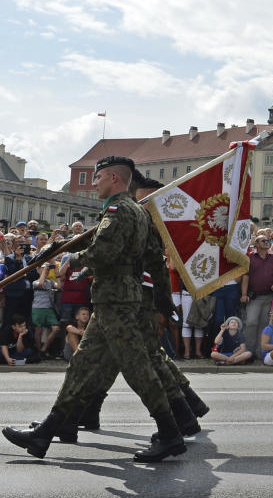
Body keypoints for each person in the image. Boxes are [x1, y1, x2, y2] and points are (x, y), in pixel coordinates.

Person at [3, 156, 185, 462]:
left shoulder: (119, 210)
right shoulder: (135, 211)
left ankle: (170, 433)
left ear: (114, 178)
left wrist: (69, 260)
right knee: (82, 365)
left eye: (98, 178)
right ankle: (46, 432)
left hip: (117, 300)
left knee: (137, 367)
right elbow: (115, 245)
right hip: (114, 300)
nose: (95, 183)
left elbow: (104, 251)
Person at [240, 235, 273, 350]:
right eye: (263, 241)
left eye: (267, 240)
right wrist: (244, 294)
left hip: (269, 297)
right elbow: (245, 277)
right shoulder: (250, 257)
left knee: (264, 324)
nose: (266, 242)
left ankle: (260, 350)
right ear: (256, 244)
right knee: (251, 323)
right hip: (254, 297)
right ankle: (248, 350)